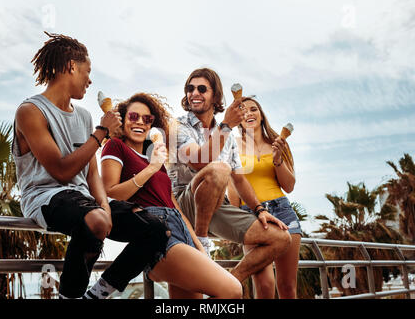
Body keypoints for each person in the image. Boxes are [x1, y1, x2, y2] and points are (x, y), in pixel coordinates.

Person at [12, 32, 169, 299]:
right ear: (71, 67)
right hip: (46, 197)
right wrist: (101, 134)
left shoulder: (83, 116)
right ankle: (69, 297)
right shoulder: (30, 111)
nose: (90, 79)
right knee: (96, 220)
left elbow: (92, 172)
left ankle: (98, 293)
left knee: (156, 228)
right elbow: (61, 171)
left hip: (86, 201)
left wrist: (106, 207)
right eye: (87, 71)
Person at [96, 92, 242, 299]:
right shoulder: (116, 146)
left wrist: (199, 245)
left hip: (181, 230)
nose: (140, 122)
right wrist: (151, 169)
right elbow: (110, 192)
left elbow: (174, 206)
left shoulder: (154, 156)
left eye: (147, 119)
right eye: (133, 117)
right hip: (157, 233)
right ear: (123, 118)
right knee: (232, 290)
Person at [168, 68, 292, 285]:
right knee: (218, 168)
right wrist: (226, 127)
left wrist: (259, 209)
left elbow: (240, 179)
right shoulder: (178, 126)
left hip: (215, 203)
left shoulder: (227, 135)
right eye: (190, 88)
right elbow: (200, 160)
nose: (194, 93)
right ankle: (202, 244)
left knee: (281, 238)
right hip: (183, 204)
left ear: (215, 96)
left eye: (201, 89)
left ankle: (228, 281)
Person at [227, 97, 301, 299]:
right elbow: (232, 185)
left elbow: (289, 186)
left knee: (287, 286)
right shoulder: (231, 146)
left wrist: (278, 160)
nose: (249, 113)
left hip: (283, 211)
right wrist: (234, 221)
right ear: (239, 118)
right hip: (251, 216)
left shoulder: (279, 143)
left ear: (261, 115)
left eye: (254, 109)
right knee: (264, 285)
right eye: (243, 110)